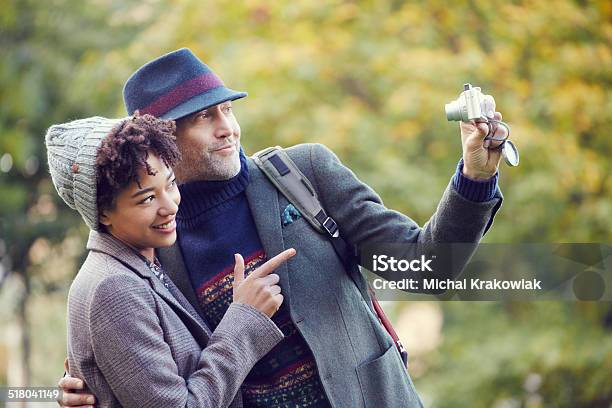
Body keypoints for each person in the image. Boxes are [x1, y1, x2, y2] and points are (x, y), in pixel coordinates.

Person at [59, 48, 506, 407]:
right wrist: (95, 391)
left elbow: (424, 267)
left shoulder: (303, 174)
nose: (228, 129)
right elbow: (155, 379)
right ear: (163, 140)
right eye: (203, 117)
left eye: (228, 110)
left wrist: (475, 177)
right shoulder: (152, 247)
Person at [47, 114, 296, 407]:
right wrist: (244, 318)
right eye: (146, 199)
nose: (169, 206)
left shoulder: (146, 260)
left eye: (171, 184)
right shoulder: (114, 288)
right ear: (102, 213)